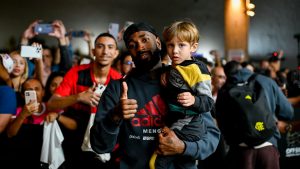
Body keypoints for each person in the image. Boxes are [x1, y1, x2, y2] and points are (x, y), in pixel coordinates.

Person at [90, 22, 220, 169]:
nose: (140, 47)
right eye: (132, 45)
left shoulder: (185, 78)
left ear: (158, 43)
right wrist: (115, 116)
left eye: (145, 40)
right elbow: (99, 146)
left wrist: (183, 147)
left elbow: (212, 136)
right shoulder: (117, 88)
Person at [47, 32, 122, 169]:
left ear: (116, 53)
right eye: (100, 46)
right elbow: (51, 103)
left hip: (102, 140)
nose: (105, 51)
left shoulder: (118, 80)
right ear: (93, 51)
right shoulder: (76, 73)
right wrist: (79, 97)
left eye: (110, 47)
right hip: (73, 138)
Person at [149, 20, 215, 169]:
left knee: (157, 163)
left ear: (193, 47)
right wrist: (165, 72)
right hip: (175, 122)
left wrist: (194, 100)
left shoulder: (197, 69)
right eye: (171, 45)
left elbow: (209, 102)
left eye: (181, 45)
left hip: (189, 125)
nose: (175, 51)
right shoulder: (174, 66)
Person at [215, 60, 294, 169]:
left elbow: (222, 124)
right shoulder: (267, 81)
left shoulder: (224, 89)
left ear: (227, 73)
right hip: (268, 145)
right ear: (243, 68)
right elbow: (288, 112)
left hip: (240, 150)